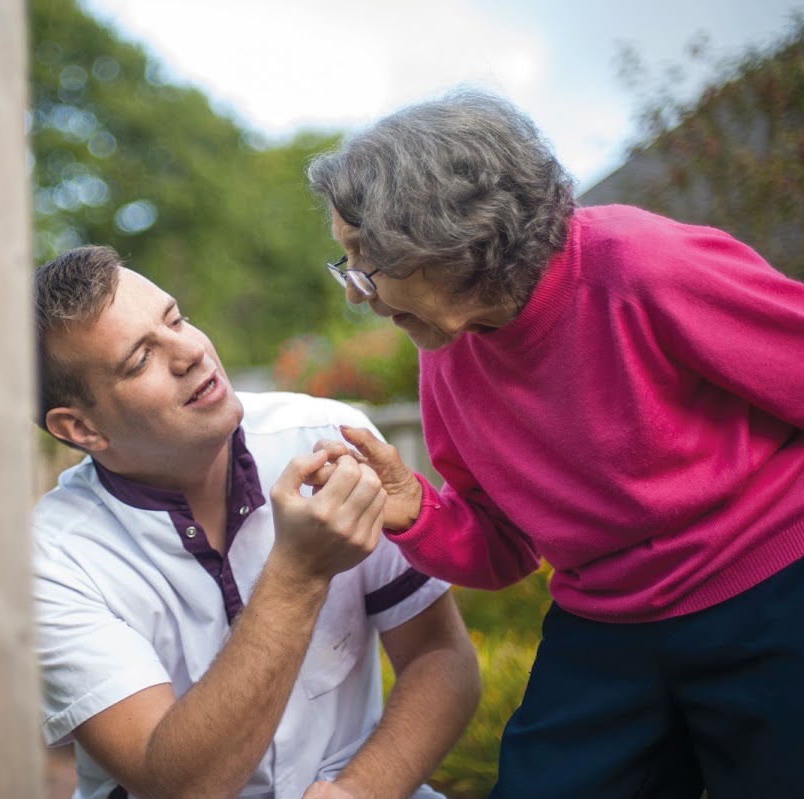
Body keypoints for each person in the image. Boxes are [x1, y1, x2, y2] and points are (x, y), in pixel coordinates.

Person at [305, 87, 804, 799]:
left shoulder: (644, 266)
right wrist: (414, 508)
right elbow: (506, 545)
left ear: (447, 234)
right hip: (607, 623)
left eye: (365, 257)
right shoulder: (446, 350)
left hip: (768, 592)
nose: (357, 291)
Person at [32, 245, 481, 799]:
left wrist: (362, 790)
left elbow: (441, 658)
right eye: (140, 359)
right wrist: (299, 575)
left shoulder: (331, 437)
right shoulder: (50, 560)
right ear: (80, 428)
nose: (191, 352)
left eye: (176, 320)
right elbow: (177, 787)